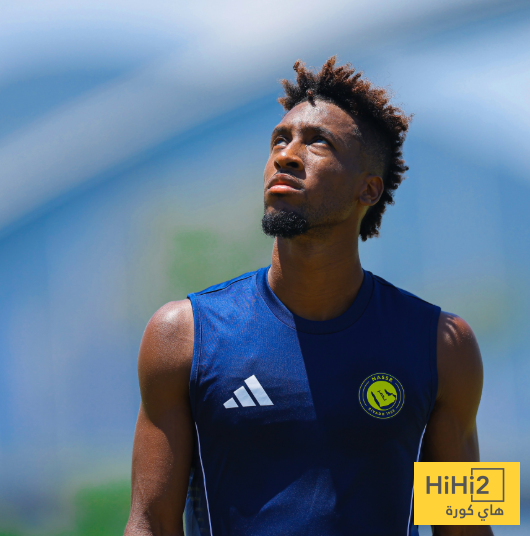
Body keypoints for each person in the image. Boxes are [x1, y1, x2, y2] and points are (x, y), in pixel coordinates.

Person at [124, 57, 491, 536]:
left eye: (318, 142)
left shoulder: (445, 345)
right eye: (279, 140)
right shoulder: (180, 334)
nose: (286, 155)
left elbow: (468, 527)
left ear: (369, 189)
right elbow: (148, 522)